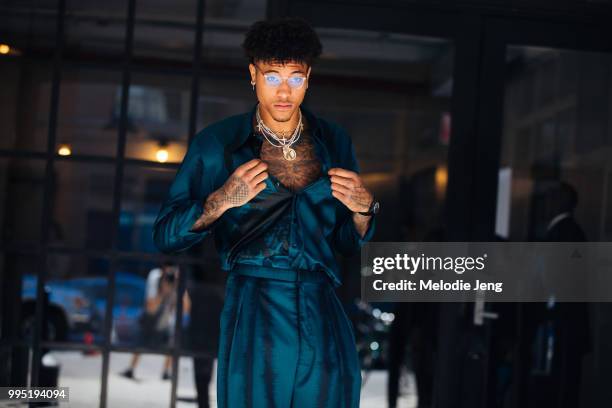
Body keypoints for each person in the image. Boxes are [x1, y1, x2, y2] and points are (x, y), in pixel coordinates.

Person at [152, 17, 379, 408]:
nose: (284, 91)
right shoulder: (218, 144)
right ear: (253, 75)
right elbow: (166, 235)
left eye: (295, 77)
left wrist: (364, 210)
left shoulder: (334, 141)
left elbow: (346, 240)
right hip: (255, 302)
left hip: (320, 302)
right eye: (273, 77)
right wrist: (221, 199)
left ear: (309, 78)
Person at [120, 262, 191, 380]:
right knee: (141, 341)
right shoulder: (155, 277)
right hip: (150, 317)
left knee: (174, 340)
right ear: (163, 270)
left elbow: (186, 309)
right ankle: (131, 369)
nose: (171, 276)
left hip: (165, 319)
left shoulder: (178, 283)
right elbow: (151, 308)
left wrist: (180, 287)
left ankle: (166, 372)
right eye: (169, 272)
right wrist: (163, 292)